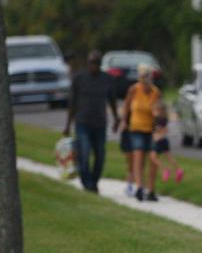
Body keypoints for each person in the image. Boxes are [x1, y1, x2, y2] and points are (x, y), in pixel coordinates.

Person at [62, 50, 120, 193]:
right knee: (85, 151)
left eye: (96, 63)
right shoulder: (79, 79)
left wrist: (116, 118)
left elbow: (112, 100)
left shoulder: (106, 79)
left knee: (100, 155)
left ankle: (94, 180)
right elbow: (72, 103)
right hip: (82, 122)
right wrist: (68, 125)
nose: (93, 65)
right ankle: (87, 183)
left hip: (100, 124)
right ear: (87, 63)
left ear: (100, 64)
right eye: (91, 62)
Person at [123, 64, 162, 201]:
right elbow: (126, 107)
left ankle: (151, 189)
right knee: (138, 155)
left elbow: (158, 110)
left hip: (151, 129)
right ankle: (139, 187)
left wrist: (158, 118)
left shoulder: (155, 92)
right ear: (140, 78)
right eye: (144, 76)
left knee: (152, 158)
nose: (146, 79)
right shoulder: (134, 90)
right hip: (136, 128)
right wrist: (123, 122)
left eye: (148, 76)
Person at [150, 100, 184, 184]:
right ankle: (178, 170)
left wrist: (156, 134)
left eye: (154, 111)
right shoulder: (165, 119)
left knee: (153, 157)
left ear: (158, 111)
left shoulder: (158, 119)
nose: (152, 112)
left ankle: (164, 169)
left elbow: (161, 129)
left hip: (158, 140)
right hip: (165, 140)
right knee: (169, 157)